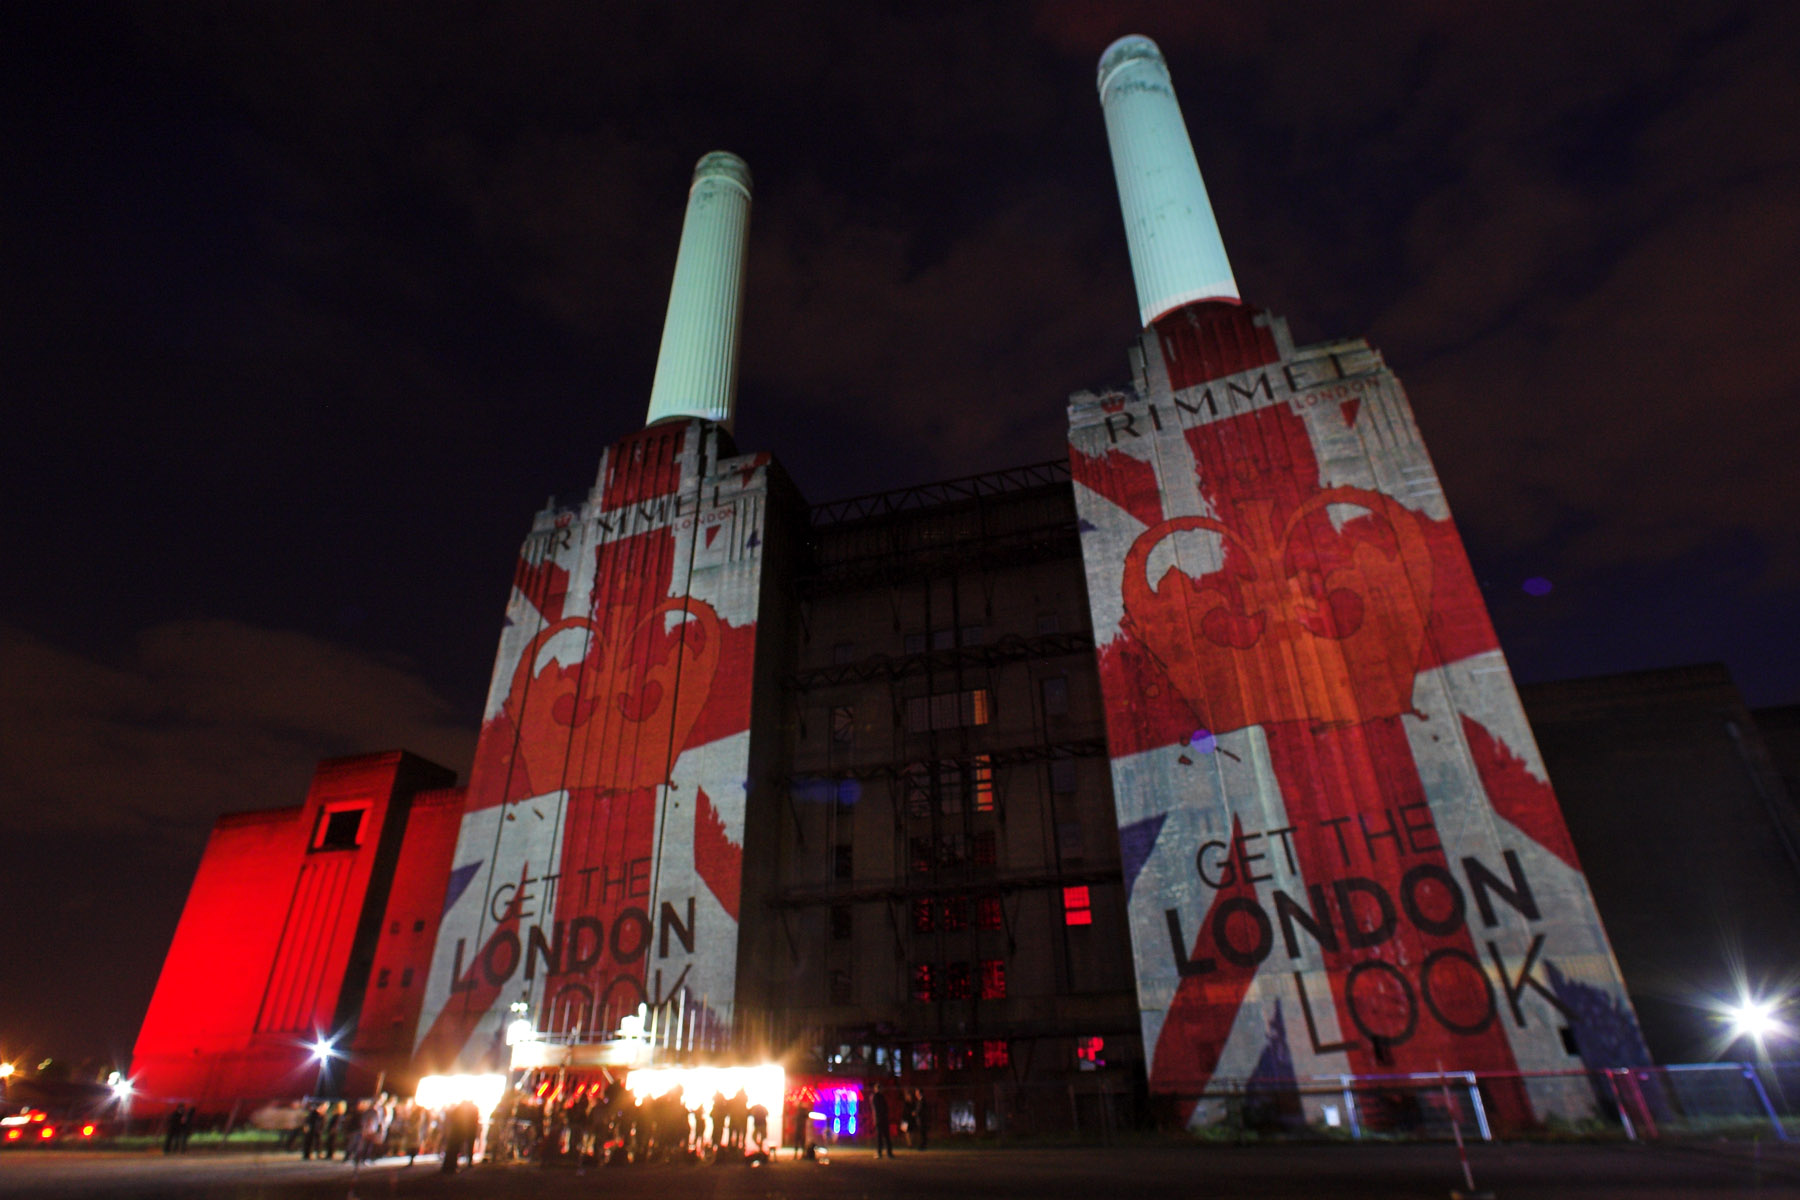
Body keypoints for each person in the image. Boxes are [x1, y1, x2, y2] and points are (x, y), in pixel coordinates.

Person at [872, 1083, 895, 1158]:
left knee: (879, 1137)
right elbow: (886, 1108)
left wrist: (875, 1119)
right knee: (887, 1136)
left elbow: (876, 1109)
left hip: (879, 1119)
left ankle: (879, 1152)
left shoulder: (875, 1097)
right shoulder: (882, 1097)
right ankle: (889, 1153)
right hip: (884, 1119)